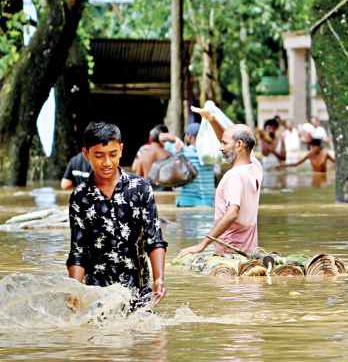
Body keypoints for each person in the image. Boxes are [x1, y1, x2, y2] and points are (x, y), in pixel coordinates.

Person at [66, 121, 168, 312]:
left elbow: (154, 239)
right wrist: (73, 290)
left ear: (121, 150)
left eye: (113, 155)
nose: (107, 162)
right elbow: (78, 251)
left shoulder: (140, 188)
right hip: (96, 297)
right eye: (99, 156)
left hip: (138, 294)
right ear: (86, 154)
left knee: (150, 338)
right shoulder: (80, 196)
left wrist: (159, 278)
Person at [177, 106, 263, 257]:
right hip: (249, 252)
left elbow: (231, 214)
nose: (220, 148)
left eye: (224, 143)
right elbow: (232, 138)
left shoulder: (234, 176)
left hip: (229, 252)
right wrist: (211, 119)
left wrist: (202, 245)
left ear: (239, 146)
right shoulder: (255, 167)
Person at [165, 123, 215, 207]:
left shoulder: (182, 151)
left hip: (186, 201)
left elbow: (160, 137)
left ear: (190, 136)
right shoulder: (211, 155)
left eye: (185, 136)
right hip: (207, 203)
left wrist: (176, 139)